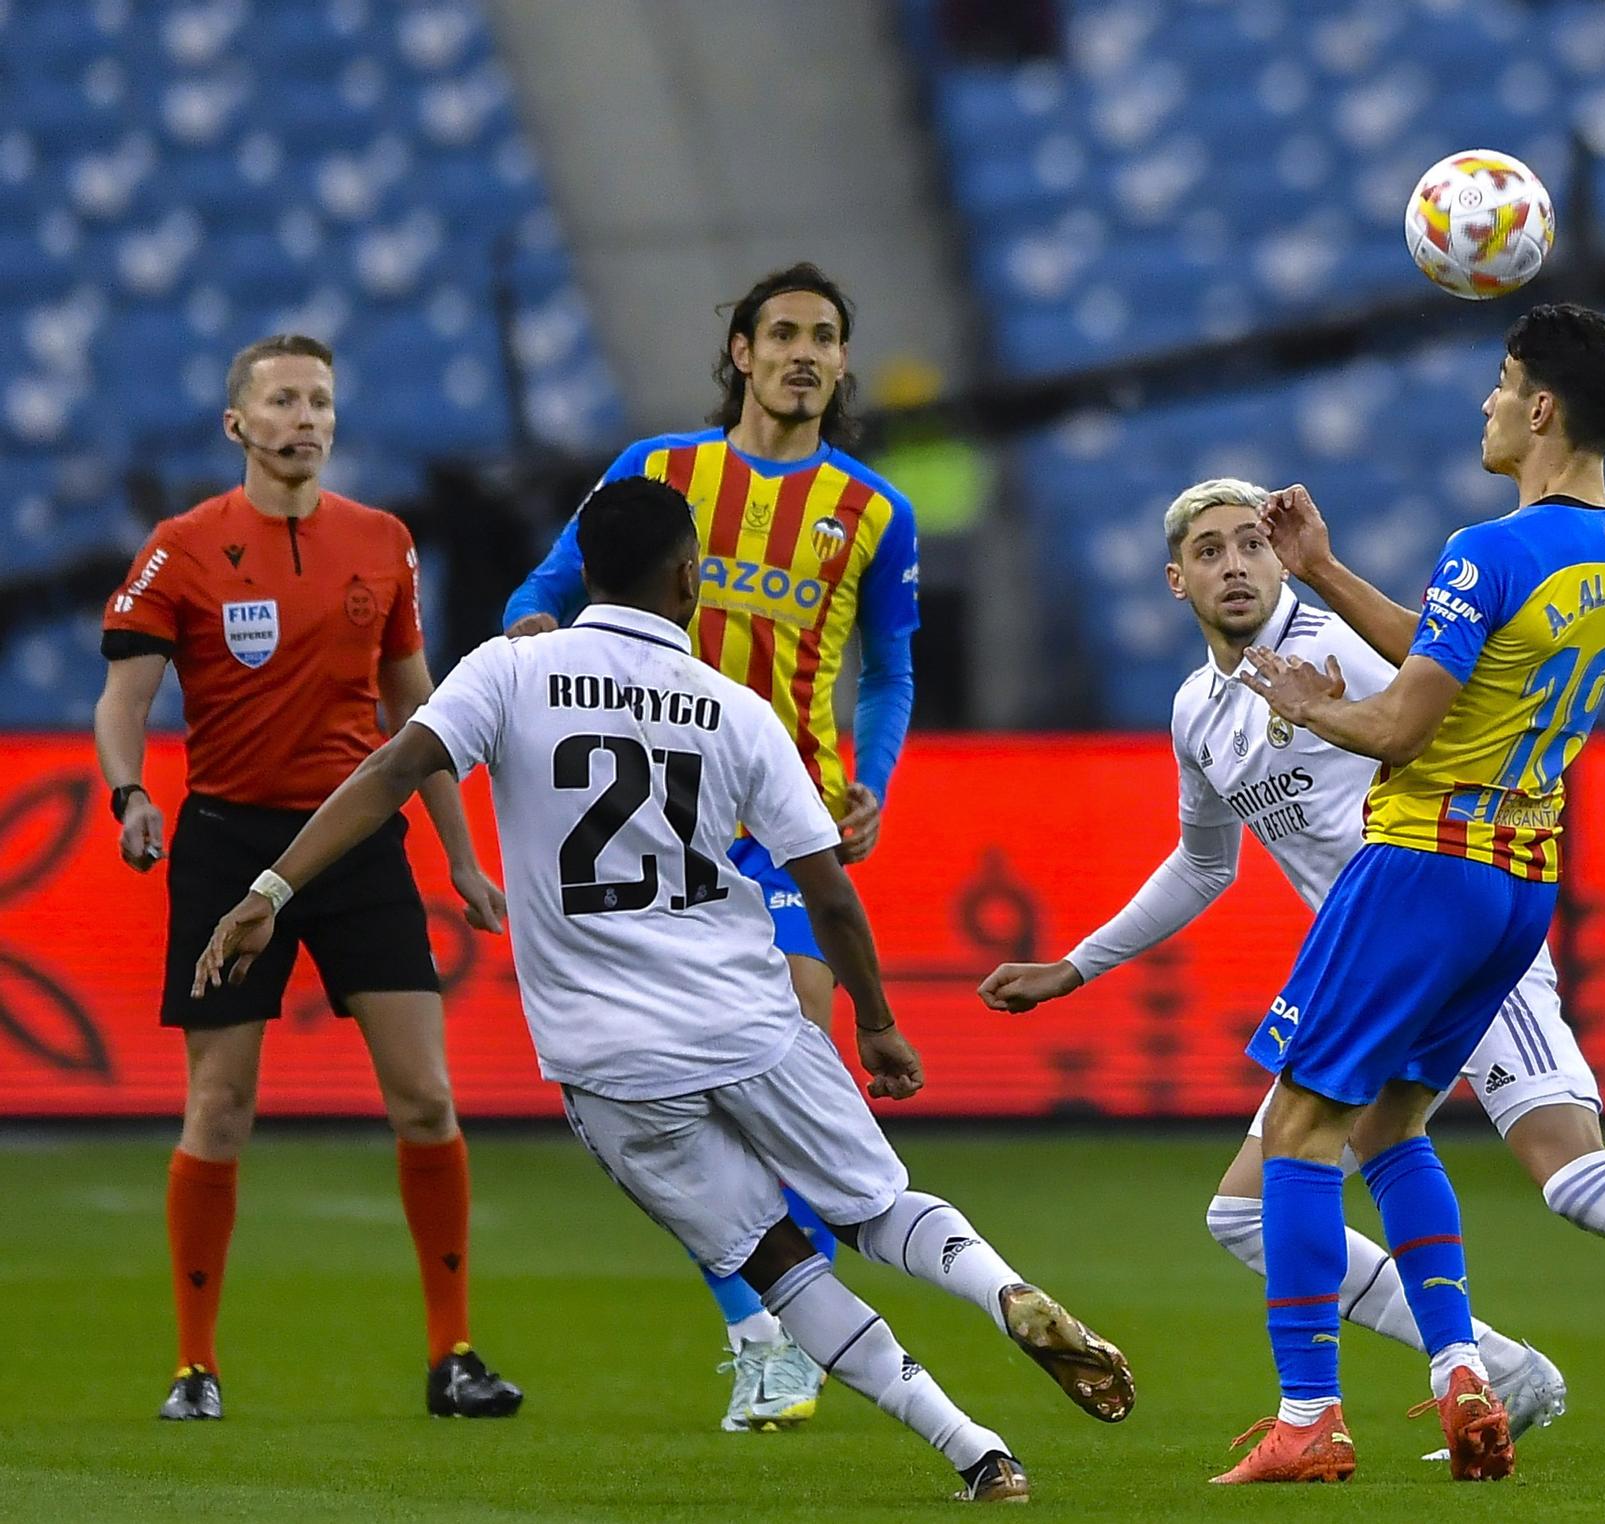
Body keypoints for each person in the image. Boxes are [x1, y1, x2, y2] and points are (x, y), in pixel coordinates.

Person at [191, 476, 1134, 1504]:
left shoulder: (511, 671)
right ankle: (999, 1289)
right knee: (875, 1207)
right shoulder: (737, 711)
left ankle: (975, 1451)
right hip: (748, 1019)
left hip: (611, 1059)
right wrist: (876, 1021)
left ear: (585, 571)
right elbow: (828, 894)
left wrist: (270, 889)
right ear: (688, 579)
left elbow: (388, 774)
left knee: (776, 1265)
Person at [981, 470, 1605, 1471]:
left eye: (1251, 542)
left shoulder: (1334, 641)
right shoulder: (1196, 712)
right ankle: (1491, 1367)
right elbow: (1203, 864)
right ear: (1176, 582)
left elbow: (1449, 682)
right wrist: (1076, 966)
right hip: (1370, 966)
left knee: (1572, 1174)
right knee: (1249, 1208)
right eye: (1209, 551)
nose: (1236, 564)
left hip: (1450, 916)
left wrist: (1339, 628)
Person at [501, 262, 919, 1428]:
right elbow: (536, 595)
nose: (799, 352)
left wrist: (870, 782)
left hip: (785, 824)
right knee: (690, 1098)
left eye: (822, 336)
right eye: (778, 332)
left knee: (785, 1042)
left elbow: (887, 670)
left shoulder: (874, 510)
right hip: (653, 823)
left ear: (840, 363)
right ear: (738, 352)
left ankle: (782, 1329)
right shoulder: (655, 474)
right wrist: (532, 636)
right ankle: (761, 1330)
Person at [94, 333, 521, 1422]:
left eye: (321, 401)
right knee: (222, 1106)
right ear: (237, 424)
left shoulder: (383, 542)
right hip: (229, 843)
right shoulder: (183, 548)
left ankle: (454, 1354)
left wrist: (463, 856)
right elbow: (125, 701)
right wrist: (129, 793)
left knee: (425, 1096)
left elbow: (415, 716)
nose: (305, 418)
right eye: (282, 400)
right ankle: (195, 1364)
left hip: (358, 839)